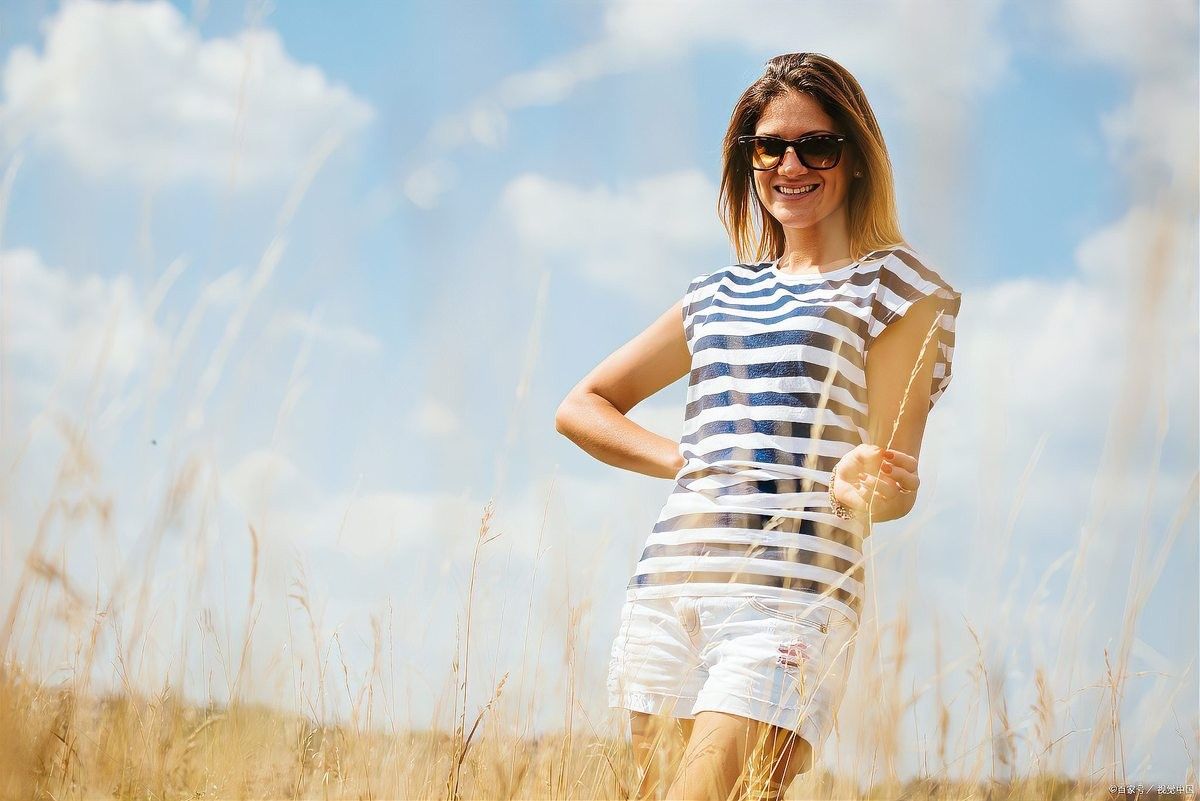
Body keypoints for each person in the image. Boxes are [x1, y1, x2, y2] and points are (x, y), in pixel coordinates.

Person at [554, 52, 962, 801]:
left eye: (818, 145)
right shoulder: (716, 293)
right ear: (748, 160)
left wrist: (855, 483)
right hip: (669, 588)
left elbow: (891, 476)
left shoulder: (902, 288)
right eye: (769, 146)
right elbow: (582, 405)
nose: (791, 164)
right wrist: (693, 459)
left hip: (786, 600)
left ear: (857, 158)